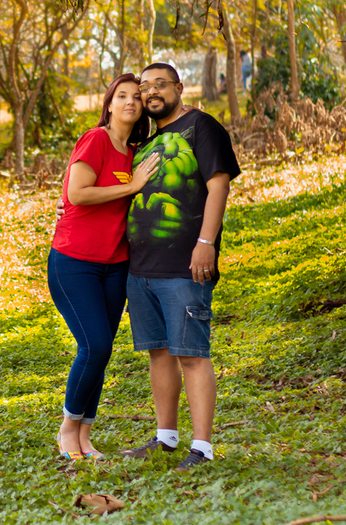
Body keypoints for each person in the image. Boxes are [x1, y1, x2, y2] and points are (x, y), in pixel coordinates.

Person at [118, 63, 241, 471]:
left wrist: (206, 243)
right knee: (158, 354)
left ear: (179, 88)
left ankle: (201, 447)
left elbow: (218, 183)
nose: (151, 92)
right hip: (141, 269)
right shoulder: (150, 141)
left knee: (191, 355)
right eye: (144, 86)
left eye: (160, 84)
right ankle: (166, 437)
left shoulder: (201, 127)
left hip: (184, 266)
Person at [49, 74, 160, 461]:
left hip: (116, 265)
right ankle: (67, 430)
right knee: (93, 344)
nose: (130, 101)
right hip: (74, 262)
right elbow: (76, 193)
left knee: (102, 350)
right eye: (122, 95)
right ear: (110, 104)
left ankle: (84, 437)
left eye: (137, 97)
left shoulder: (137, 154)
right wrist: (131, 187)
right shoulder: (95, 139)